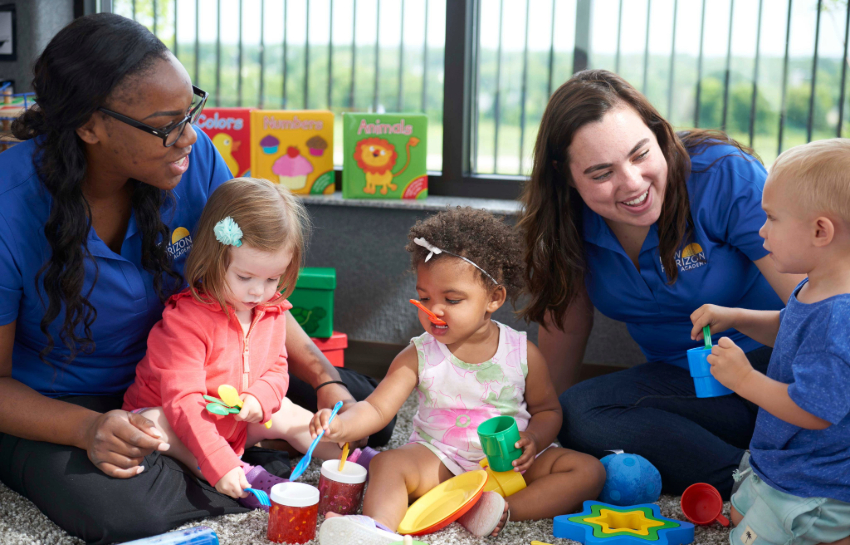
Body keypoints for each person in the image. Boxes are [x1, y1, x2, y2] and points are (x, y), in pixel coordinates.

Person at [0, 14, 391, 544]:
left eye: (192, 112)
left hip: (205, 360)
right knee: (119, 510)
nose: (189, 136)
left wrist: (325, 379)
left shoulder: (192, 159)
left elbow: (258, 296)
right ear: (90, 126)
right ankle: (238, 461)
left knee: (362, 409)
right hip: (70, 402)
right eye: (167, 124)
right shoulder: (9, 207)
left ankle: (234, 449)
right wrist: (88, 430)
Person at [517, 69, 804, 498]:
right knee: (578, 414)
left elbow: (813, 307)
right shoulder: (565, 220)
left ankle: (781, 468)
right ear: (565, 177)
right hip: (689, 386)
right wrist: (539, 428)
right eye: (601, 173)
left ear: (657, 133)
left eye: (639, 154)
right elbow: (567, 329)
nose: (632, 184)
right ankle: (751, 485)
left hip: (780, 374)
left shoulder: (723, 175)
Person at [309, 208, 605, 545]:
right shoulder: (417, 355)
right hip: (440, 460)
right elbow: (377, 410)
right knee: (388, 465)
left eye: (452, 299)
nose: (434, 310)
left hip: (511, 463)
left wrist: (534, 440)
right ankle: (379, 531)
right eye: (424, 298)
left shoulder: (522, 353)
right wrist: (341, 426)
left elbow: (548, 410)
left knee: (588, 470)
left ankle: (503, 510)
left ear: (494, 298)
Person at [123, 178, 374, 509]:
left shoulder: (270, 311)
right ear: (214, 257)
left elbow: (276, 369)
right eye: (245, 277)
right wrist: (221, 462)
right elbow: (183, 403)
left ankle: (348, 456)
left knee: (287, 411)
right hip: (185, 422)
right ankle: (240, 474)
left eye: (272, 279)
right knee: (154, 425)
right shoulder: (184, 321)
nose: (259, 292)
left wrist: (260, 398)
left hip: (235, 421)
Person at [690, 140, 850, 545]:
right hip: (785, 461)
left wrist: (744, 379)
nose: (761, 230)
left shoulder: (840, 316)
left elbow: (814, 411)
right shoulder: (817, 287)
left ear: (820, 231)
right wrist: (735, 316)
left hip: (816, 481)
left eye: (771, 218)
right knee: (741, 509)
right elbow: (789, 329)